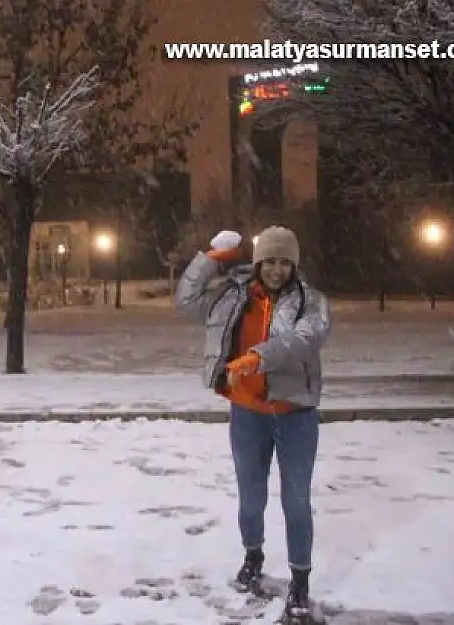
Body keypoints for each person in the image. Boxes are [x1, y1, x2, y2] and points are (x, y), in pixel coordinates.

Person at [173, 226, 330, 622]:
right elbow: (186, 301)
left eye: (284, 262)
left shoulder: (311, 302)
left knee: (296, 501)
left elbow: (301, 341)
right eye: (269, 261)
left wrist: (257, 359)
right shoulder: (232, 295)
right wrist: (210, 259)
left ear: (294, 264)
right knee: (251, 498)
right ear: (258, 263)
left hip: (295, 415)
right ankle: (253, 556)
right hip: (247, 415)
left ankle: (300, 581)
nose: (276, 270)